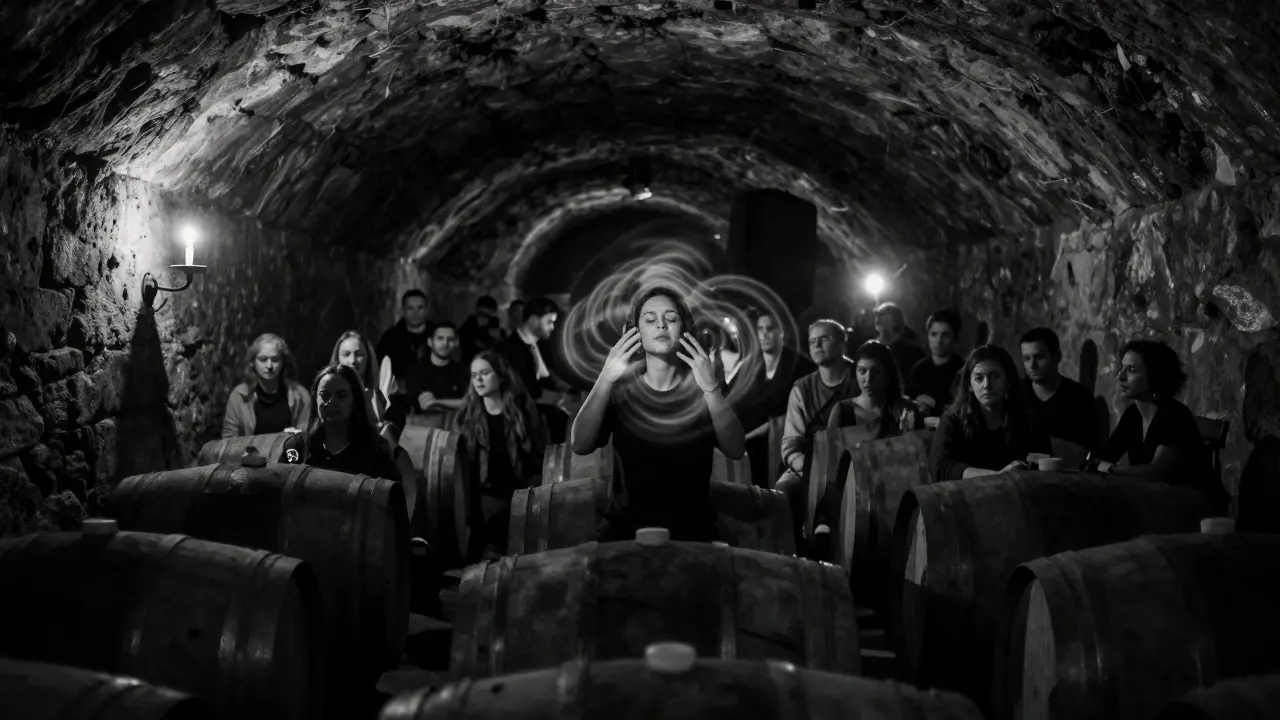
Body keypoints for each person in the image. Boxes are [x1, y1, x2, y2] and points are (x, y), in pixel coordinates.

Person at [571, 286, 746, 543]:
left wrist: (711, 388)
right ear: (636, 332)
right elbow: (580, 444)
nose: (661, 325)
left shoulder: (705, 382)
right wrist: (606, 377)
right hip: (626, 528)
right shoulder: (620, 386)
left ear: (684, 328)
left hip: (693, 529)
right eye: (650, 320)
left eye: (671, 319)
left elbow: (736, 449)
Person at [1090, 340, 1228, 512]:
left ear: (1155, 376)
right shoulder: (1133, 414)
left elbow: (1155, 472)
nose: (1120, 376)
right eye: (1122, 368)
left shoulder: (1175, 415)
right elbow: (1107, 454)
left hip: (1194, 506)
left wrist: (1110, 469)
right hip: (1157, 500)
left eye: (1131, 370)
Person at [453, 351, 547, 559]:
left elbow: (541, 455)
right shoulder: (466, 417)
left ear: (502, 376)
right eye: (474, 374)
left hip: (522, 492)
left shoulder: (524, 412)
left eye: (485, 373)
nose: (478, 379)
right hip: (484, 497)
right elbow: (460, 466)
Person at [774, 320, 859, 548]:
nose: (816, 345)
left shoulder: (860, 378)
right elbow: (791, 442)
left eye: (824, 338)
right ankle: (792, 558)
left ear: (842, 345)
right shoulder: (802, 388)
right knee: (783, 492)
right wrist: (811, 470)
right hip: (808, 465)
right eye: (812, 341)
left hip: (852, 465)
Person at [930, 345, 1051, 481]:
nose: (987, 385)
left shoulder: (1026, 418)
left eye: (995, 376)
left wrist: (1027, 463)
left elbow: (1043, 456)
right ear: (969, 385)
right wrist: (997, 476)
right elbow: (942, 467)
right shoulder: (953, 420)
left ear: (1008, 380)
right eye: (979, 378)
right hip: (968, 498)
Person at [278, 364, 401, 481]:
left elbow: (390, 498)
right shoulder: (297, 447)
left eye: (341, 395)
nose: (331, 402)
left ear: (355, 401)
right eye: (325, 395)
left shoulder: (377, 451)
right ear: (315, 400)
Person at [737, 309, 816, 485]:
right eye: (760, 329)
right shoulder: (751, 364)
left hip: (781, 444)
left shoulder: (799, 365)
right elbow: (737, 401)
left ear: (782, 332)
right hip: (748, 445)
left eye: (770, 328)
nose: (764, 334)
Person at [1019, 327, 1099, 454]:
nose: (1032, 365)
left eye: (1039, 357)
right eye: (1026, 359)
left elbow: (1083, 453)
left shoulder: (1079, 398)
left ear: (1057, 356)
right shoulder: (1014, 394)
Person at [221, 333, 311, 438]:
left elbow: (308, 435)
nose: (269, 366)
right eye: (263, 360)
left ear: (283, 362)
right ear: (253, 362)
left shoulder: (300, 395)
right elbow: (229, 439)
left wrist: (295, 437)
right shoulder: (240, 395)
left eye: (275, 359)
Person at [829, 340, 919, 442]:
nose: (868, 379)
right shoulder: (842, 410)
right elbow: (830, 452)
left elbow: (912, 448)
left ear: (887, 374)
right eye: (862, 371)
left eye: (876, 372)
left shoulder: (904, 408)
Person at [907, 309, 966, 418]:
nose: (938, 341)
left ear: (955, 338)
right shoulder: (920, 368)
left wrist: (933, 403)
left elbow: (961, 410)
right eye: (934, 334)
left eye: (945, 335)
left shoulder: (963, 370)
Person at [376, 289, 433, 402]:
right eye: (410, 308)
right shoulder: (391, 337)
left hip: (434, 394)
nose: (415, 313)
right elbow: (378, 367)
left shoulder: (438, 334)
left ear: (426, 310)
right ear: (403, 310)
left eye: (420, 308)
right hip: (399, 396)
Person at [408, 322, 468, 423]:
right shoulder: (417, 370)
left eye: (450, 339)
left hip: (455, 426)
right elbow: (426, 405)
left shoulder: (463, 370)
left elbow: (470, 403)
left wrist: (437, 402)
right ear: (430, 342)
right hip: (425, 428)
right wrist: (455, 404)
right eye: (440, 338)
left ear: (456, 343)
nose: (445, 343)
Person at [331, 331, 388, 425]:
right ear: (338, 360)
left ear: (368, 359)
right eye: (346, 354)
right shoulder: (328, 396)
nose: (353, 360)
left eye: (359, 354)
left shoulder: (377, 397)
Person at [459, 295, 504, 360]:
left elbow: (501, 348)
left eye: (487, 315)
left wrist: (497, 339)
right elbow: (460, 337)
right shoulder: (471, 322)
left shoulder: (494, 323)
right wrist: (474, 341)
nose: (483, 318)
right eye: (481, 314)